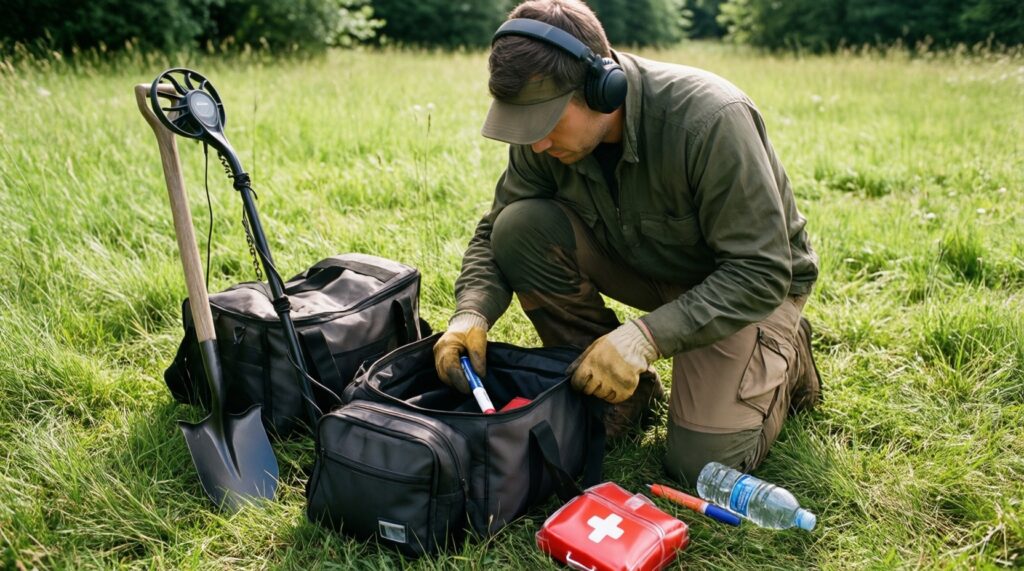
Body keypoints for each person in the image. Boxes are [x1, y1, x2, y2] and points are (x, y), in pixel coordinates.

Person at [433, 0, 821, 485]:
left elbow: (761, 270)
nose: (535, 145)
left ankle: (786, 354)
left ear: (602, 90)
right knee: (518, 226)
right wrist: (471, 314)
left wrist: (645, 337)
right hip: (645, 263)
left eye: (547, 123)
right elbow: (495, 232)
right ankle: (616, 389)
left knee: (701, 466)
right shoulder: (542, 138)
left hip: (744, 288)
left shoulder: (710, 119)